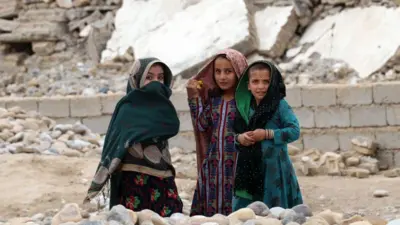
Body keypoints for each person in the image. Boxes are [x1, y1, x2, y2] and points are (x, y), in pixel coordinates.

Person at [84, 58, 183, 217]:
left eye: (160, 77)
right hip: (133, 178)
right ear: (137, 80)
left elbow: (172, 127)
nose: (155, 83)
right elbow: (115, 143)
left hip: (162, 175)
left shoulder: (165, 107)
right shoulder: (127, 108)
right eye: (149, 77)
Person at [233, 60, 303, 210]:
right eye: (255, 81)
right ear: (248, 85)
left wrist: (267, 134)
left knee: (275, 212)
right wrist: (240, 138)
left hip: (275, 169)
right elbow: (232, 134)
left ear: (273, 83)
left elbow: (294, 131)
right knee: (247, 214)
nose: (260, 86)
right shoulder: (244, 108)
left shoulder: (279, 105)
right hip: (248, 168)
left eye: (266, 82)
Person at [186, 49, 248, 216]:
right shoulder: (214, 102)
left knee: (238, 214)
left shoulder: (246, 103)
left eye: (228, 71)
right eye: (218, 72)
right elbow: (201, 125)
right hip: (213, 165)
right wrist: (194, 97)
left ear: (239, 71)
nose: (222, 77)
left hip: (237, 163)